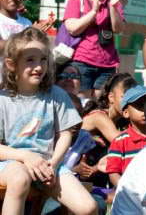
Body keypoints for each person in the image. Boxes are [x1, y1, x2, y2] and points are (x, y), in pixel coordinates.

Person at [0, 27, 98, 215]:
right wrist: (25, 157)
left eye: (43, 59)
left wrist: (54, 163)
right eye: (30, 60)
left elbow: (65, 134)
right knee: (19, 179)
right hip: (11, 163)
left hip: (48, 165)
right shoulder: (2, 99)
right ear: (11, 64)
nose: (39, 66)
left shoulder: (57, 94)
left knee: (89, 207)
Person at [62, 0, 126, 100]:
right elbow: (73, 29)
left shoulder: (112, 2)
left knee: (100, 105)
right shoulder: (76, 1)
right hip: (81, 62)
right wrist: (93, 12)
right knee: (81, 103)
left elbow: (118, 29)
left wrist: (113, 7)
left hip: (108, 65)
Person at [105, 85, 146, 185]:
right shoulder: (120, 141)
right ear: (126, 113)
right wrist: (126, 191)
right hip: (131, 194)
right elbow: (113, 173)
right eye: (140, 106)